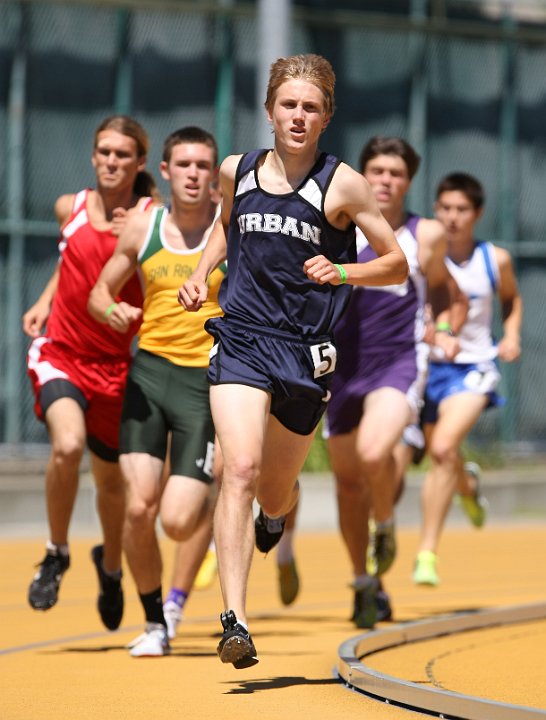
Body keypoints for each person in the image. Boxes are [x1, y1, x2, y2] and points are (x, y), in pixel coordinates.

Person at [178, 54, 408, 669]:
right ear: (269, 110)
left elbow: (397, 264)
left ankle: (276, 519)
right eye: (289, 105)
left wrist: (343, 269)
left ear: (326, 116)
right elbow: (228, 227)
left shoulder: (343, 185)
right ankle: (235, 621)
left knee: (274, 491)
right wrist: (203, 271)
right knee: (240, 468)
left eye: (311, 107)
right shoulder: (238, 170)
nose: (298, 116)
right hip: (243, 337)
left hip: (305, 355)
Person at [88, 126, 224, 657]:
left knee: (176, 518)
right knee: (139, 509)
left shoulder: (231, 229)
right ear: (164, 172)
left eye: (203, 166)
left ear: (215, 175)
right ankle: (154, 623)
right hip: (149, 375)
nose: (193, 174)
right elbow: (100, 290)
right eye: (183, 165)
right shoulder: (144, 226)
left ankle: (221, 503)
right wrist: (111, 310)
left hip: (206, 381)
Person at [325, 136, 467, 629]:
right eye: (377, 171)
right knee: (346, 483)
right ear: (361, 177)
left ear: (409, 181)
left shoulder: (423, 234)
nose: (385, 181)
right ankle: (364, 584)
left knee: (372, 454)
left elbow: (450, 296)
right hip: (339, 367)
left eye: (396, 173)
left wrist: (445, 330)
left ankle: (384, 523)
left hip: (397, 362)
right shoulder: (335, 220)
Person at [24, 115, 157, 629]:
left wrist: (142, 242)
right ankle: (57, 551)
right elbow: (69, 260)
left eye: (122, 154)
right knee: (67, 445)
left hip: (116, 369)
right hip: (61, 350)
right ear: (93, 154)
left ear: (140, 162)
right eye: (103, 151)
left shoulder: (150, 217)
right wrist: (43, 301)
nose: (111, 161)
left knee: (111, 486)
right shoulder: (70, 207)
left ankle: (111, 566)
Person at [412, 172, 522, 586]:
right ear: (436, 210)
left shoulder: (495, 260)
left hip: (474, 366)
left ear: (477, 214)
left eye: (462, 210)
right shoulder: (423, 254)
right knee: (439, 453)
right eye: (445, 208)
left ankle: (427, 553)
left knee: (441, 447)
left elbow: (511, 298)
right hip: (429, 366)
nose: (453, 217)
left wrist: (510, 334)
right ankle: (468, 487)